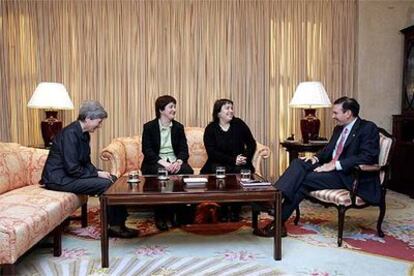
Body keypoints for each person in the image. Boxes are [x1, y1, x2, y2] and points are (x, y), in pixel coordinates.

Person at [254, 96, 381, 237]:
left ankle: (276, 208)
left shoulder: (368, 128)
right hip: (333, 171)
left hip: (350, 175)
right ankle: (277, 202)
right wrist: (315, 158)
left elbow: (367, 156)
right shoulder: (339, 129)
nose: (333, 116)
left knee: (303, 181)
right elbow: (328, 150)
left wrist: (335, 165)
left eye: (335, 113)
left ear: (348, 113)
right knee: (298, 163)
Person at [41, 101, 138, 239]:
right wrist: (97, 173)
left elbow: (85, 162)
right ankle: (115, 226)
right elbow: (72, 168)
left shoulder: (84, 133)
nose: (100, 125)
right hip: (59, 179)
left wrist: (101, 172)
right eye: (98, 122)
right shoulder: (70, 134)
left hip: (70, 175)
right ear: (88, 118)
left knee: (113, 179)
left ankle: (119, 223)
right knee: (106, 185)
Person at [141, 95, 194, 231]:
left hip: (174, 161)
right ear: (161, 110)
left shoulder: (178, 127)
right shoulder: (149, 127)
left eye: (174, 106)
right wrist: (164, 163)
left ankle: (179, 213)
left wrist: (178, 162)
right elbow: (147, 151)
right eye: (171, 107)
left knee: (187, 171)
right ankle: (161, 216)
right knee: (161, 173)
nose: (174, 109)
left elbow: (184, 150)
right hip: (156, 162)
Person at [201, 98, 257, 221]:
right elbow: (212, 152)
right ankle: (223, 209)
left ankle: (235, 210)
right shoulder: (211, 128)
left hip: (239, 162)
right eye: (227, 108)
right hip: (218, 161)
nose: (231, 111)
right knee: (219, 171)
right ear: (218, 113)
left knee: (241, 171)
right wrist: (233, 160)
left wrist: (245, 158)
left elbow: (251, 143)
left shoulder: (239, 124)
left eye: (232, 108)